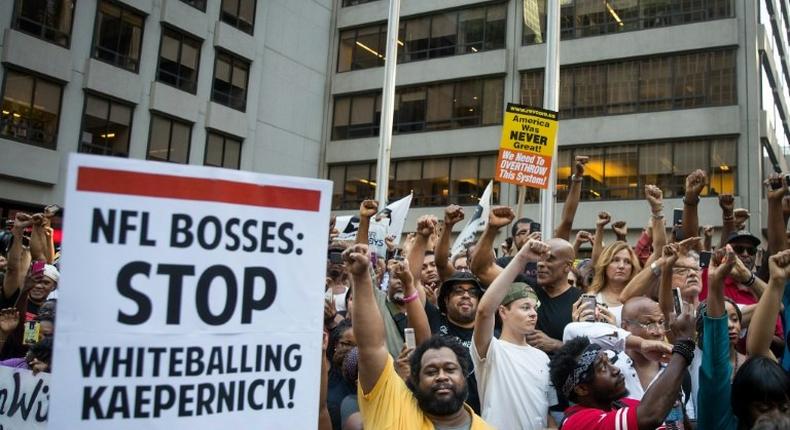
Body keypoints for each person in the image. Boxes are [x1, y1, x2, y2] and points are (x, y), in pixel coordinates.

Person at [347, 243, 491, 429]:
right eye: (431, 371)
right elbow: (370, 346)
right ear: (415, 379)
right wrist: (361, 278)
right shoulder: (392, 405)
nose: (441, 377)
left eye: (450, 369)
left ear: (465, 376)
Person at [549, 308, 697, 430]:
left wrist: (641, 344)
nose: (615, 370)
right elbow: (650, 416)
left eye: (609, 362)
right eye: (602, 368)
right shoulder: (578, 422)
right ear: (581, 388)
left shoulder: (623, 405)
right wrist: (684, 343)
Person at [697, 245, 790, 429]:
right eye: (763, 408)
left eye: (784, 407)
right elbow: (718, 366)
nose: (775, 416)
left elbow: (758, 351)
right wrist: (715, 286)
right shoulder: (723, 423)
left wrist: (777, 280)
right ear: (740, 409)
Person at [472, 238, 557, 429]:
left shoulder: (543, 357)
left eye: (534, 308)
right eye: (525, 307)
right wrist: (522, 258)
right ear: (503, 311)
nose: (533, 313)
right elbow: (484, 311)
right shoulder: (492, 350)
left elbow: (547, 411)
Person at [588, 241, 641, 326]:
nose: (621, 266)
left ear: (632, 268)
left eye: (627, 262)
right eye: (615, 260)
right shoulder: (592, 298)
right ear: (605, 265)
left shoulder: (639, 300)